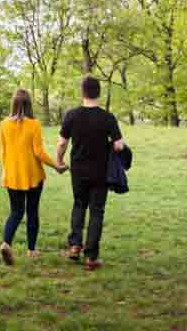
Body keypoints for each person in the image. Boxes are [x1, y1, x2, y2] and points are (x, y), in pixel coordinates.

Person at [56, 76, 124, 271]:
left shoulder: (72, 115)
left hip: (78, 170)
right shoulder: (107, 117)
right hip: (100, 172)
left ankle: (75, 246)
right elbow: (118, 145)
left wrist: (59, 161)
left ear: (82, 92)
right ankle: (91, 258)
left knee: (79, 204)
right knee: (96, 211)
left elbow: (62, 143)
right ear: (99, 93)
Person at [0, 88, 66, 265]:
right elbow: (39, 152)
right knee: (32, 211)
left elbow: (4, 152)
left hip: (12, 176)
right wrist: (56, 166)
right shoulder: (34, 124)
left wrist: (4, 172)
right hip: (33, 175)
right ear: (29, 105)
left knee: (15, 212)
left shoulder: (4, 124)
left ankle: (6, 243)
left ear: (13, 104)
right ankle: (31, 249)